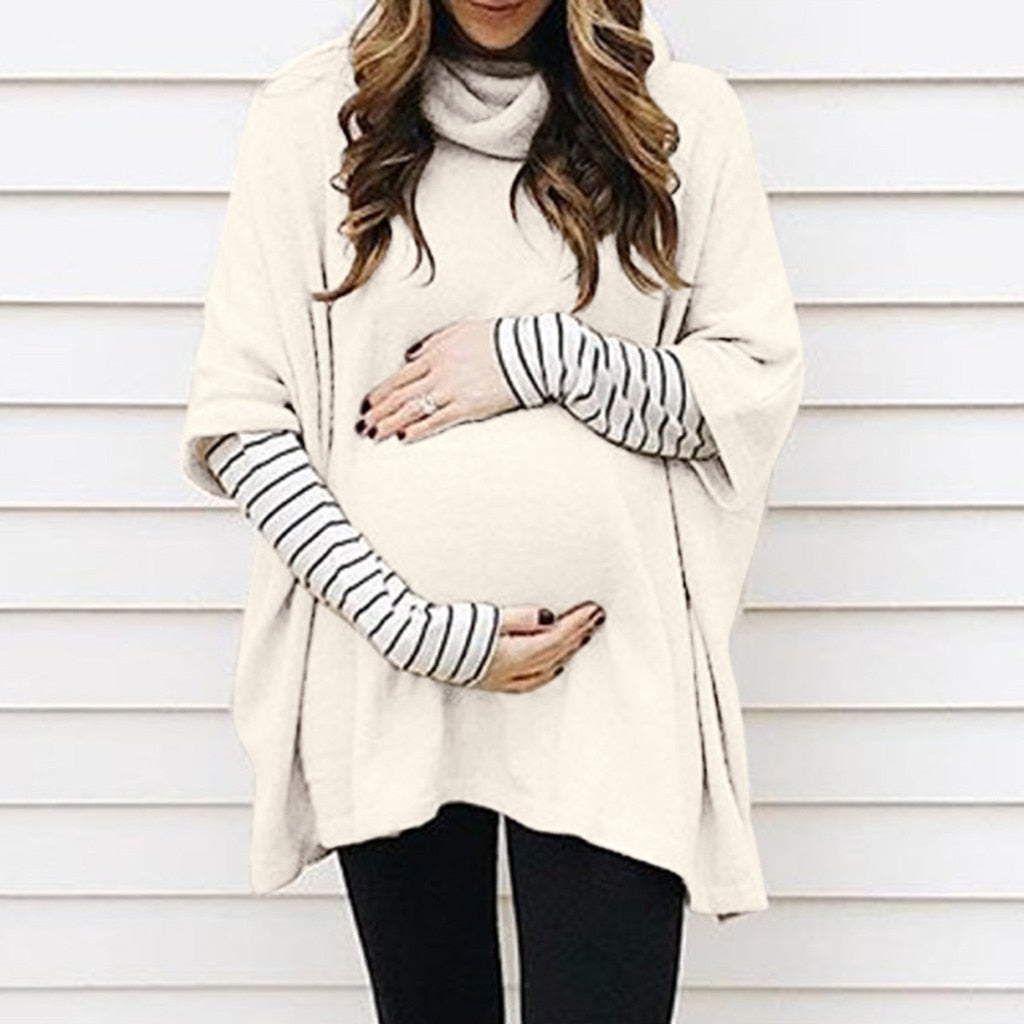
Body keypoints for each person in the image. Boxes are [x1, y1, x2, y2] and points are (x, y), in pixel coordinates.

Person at [180, 0, 805, 1021]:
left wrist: (534, 355)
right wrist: (411, 627)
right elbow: (245, 422)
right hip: (389, 671)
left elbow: (747, 389)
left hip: (609, 681)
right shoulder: (313, 118)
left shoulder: (679, 118)